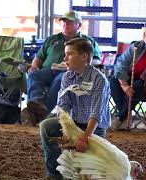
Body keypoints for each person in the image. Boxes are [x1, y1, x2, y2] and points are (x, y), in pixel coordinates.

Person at [39, 37, 111, 179]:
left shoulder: (99, 79)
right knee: (46, 126)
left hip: (95, 128)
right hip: (74, 123)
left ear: (84, 56)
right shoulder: (67, 76)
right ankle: (53, 173)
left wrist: (85, 138)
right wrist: (66, 128)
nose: (65, 58)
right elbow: (63, 104)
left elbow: (96, 113)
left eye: (69, 54)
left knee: (88, 169)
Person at [21, 10, 102, 126]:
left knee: (61, 80)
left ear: (78, 25)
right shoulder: (52, 39)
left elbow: (95, 60)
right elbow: (38, 58)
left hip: (70, 72)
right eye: (63, 21)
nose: (65, 24)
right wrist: (34, 66)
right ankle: (36, 103)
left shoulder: (87, 41)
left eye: (69, 22)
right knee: (33, 75)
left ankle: (40, 113)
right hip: (48, 70)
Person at [109, 27, 146, 130]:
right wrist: (124, 84)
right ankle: (125, 117)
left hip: (143, 85)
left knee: (138, 85)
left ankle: (120, 117)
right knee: (113, 80)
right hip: (128, 79)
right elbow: (121, 64)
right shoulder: (136, 47)